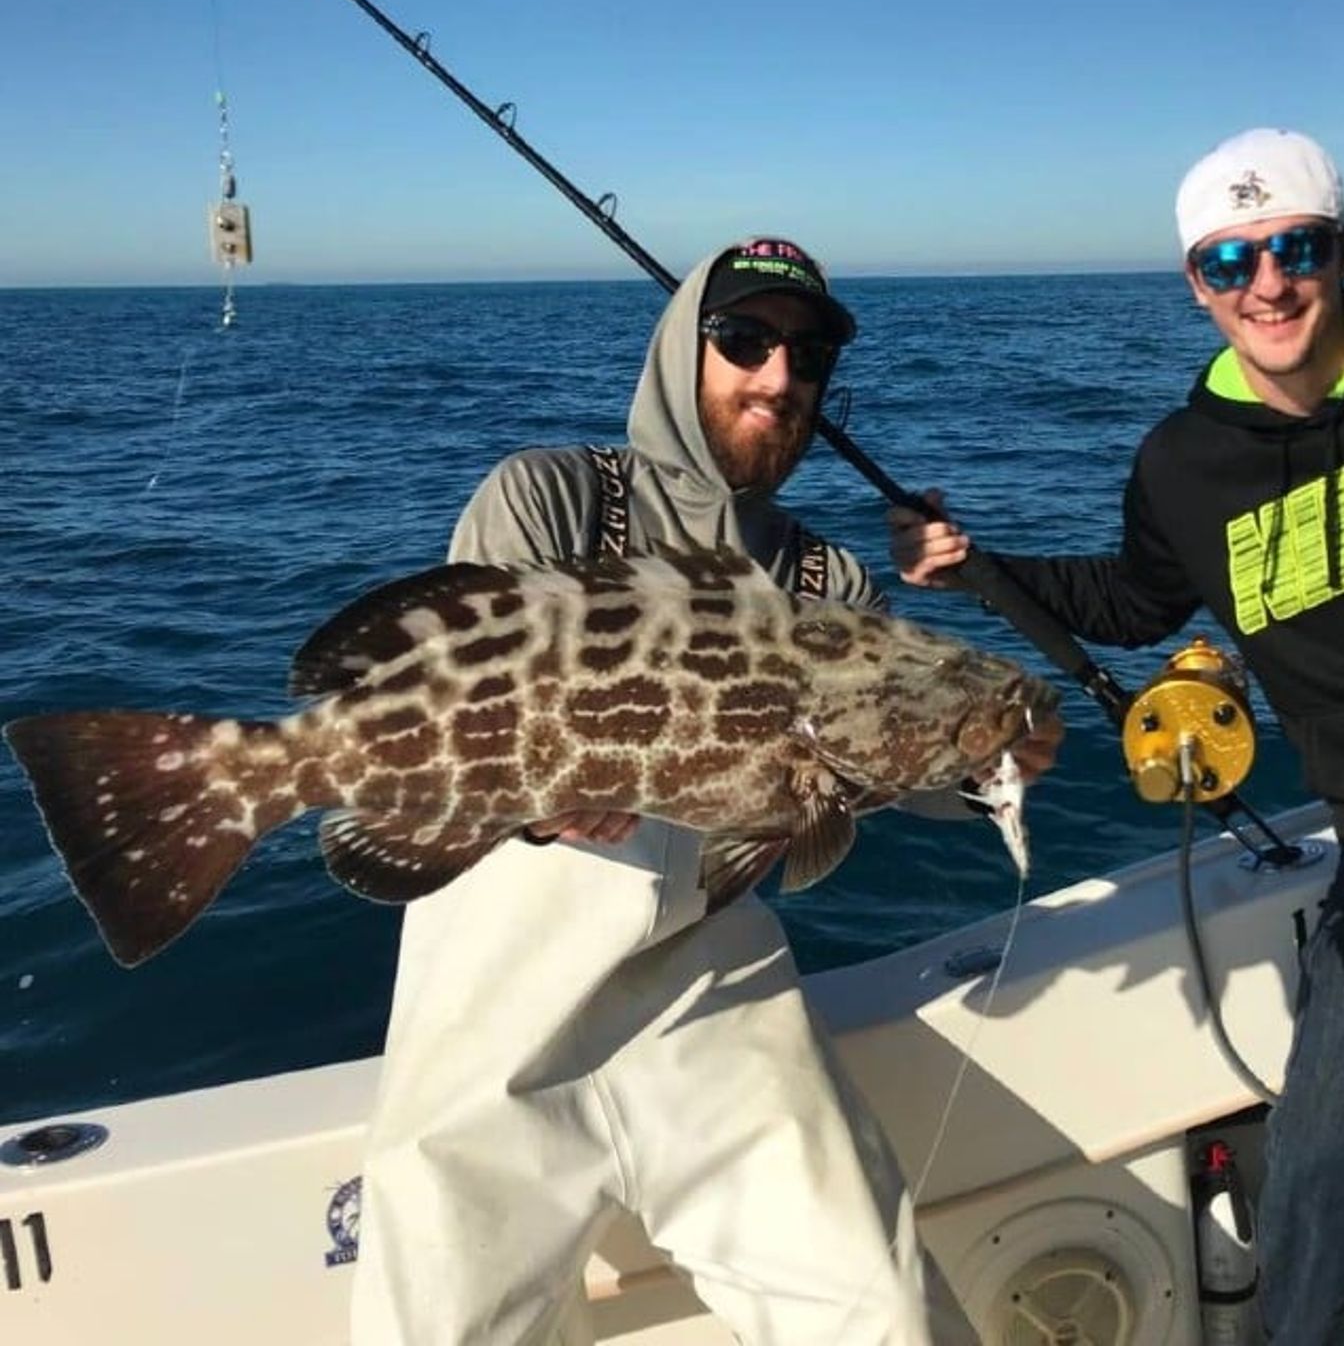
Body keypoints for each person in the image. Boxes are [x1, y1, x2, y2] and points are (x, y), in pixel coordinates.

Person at [352, 237, 1060, 1346]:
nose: (779, 377)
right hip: (496, 1010)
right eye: (745, 340)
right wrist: (535, 802)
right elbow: (469, 697)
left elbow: (863, 775)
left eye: (809, 352)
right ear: (684, 349)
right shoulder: (549, 498)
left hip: (706, 995)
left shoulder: (831, 585)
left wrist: (989, 764)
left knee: (884, 1317)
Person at [889, 126, 1344, 1345]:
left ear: (1343, 251)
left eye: (1293, 246)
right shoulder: (1184, 464)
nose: (1267, 283)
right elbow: (1136, 604)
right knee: (1316, 1177)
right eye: (1227, 260)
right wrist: (975, 570)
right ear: (1196, 285)